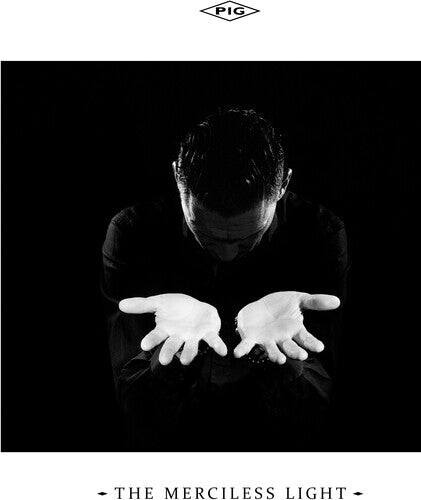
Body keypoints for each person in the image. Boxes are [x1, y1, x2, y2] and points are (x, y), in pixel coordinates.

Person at [101, 108, 349, 450]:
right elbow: (132, 408)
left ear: (283, 186)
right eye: (207, 236)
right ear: (177, 180)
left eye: (247, 240)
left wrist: (276, 360)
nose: (228, 255)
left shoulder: (320, 236)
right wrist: (173, 359)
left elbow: (321, 415)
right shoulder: (132, 235)